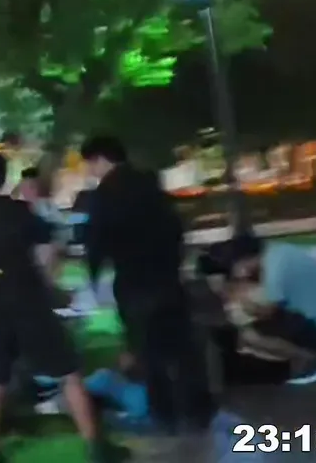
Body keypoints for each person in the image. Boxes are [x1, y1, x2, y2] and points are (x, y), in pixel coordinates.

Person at [0, 149, 122, 463]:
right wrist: (49, 283)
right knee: (68, 373)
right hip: (29, 303)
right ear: (5, 177)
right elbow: (48, 249)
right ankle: (96, 447)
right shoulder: (21, 213)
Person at [80, 134, 214, 433]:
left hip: (134, 282)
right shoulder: (150, 184)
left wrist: (94, 276)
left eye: (90, 164)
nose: (90, 171)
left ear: (100, 159)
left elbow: (96, 241)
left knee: (149, 352)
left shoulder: (104, 194)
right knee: (182, 348)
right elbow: (175, 228)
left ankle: (165, 415)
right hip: (166, 278)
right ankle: (198, 410)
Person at [225, 234, 316, 384]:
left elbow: (267, 312)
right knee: (255, 331)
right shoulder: (280, 252)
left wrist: (241, 298)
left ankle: (311, 360)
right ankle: (305, 357)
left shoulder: (274, 266)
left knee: (249, 335)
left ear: (245, 259)